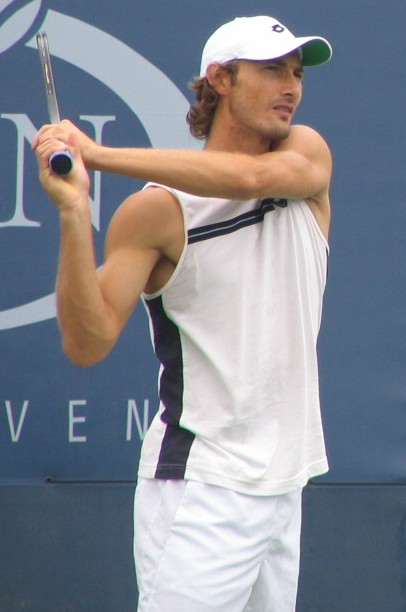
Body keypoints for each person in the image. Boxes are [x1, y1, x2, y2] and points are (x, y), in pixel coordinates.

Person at [34, 14, 333, 612]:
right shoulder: (156, 213)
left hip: (285, 487)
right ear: (219, 79)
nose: (292, 86)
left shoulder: (305, 155)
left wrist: (100, 155)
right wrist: (74, 213)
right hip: (200, 488)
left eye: (297, 72)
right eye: (272, 69)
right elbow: (87, 343)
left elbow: (250, 176)